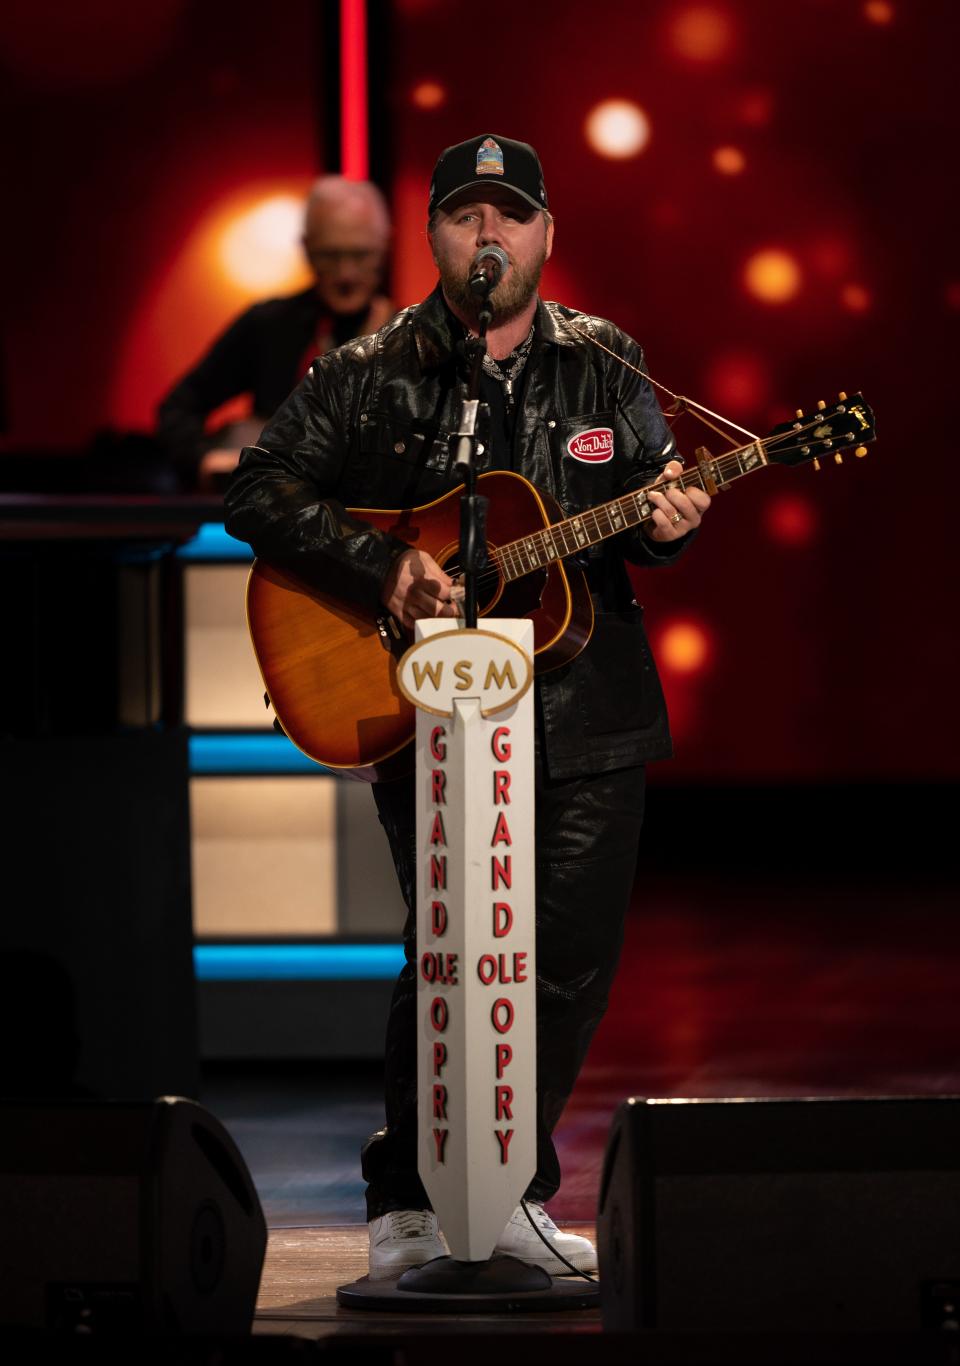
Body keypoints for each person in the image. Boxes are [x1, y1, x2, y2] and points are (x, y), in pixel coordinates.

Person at [224, 134, 711, 1279]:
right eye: (465, 218)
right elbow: (258, 486)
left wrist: (669, 521)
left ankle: (503, 1189)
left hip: (590, 707)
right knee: (448, 947)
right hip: (430, 713)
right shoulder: (371, 367)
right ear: (434, 236)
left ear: (548, 234)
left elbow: (651, 507)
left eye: (510, 216)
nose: (488, 238)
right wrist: (378, 565)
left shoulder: (607, 362)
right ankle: (408, 1199)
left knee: (569, 959)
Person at [157, 176, 394, 489]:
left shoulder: (412, 333)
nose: (346, 273)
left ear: (385, 247)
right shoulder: (269, 324)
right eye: (330, 255)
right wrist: (202, 459)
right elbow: (178, 407)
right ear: (306, 248)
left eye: (361, 255)